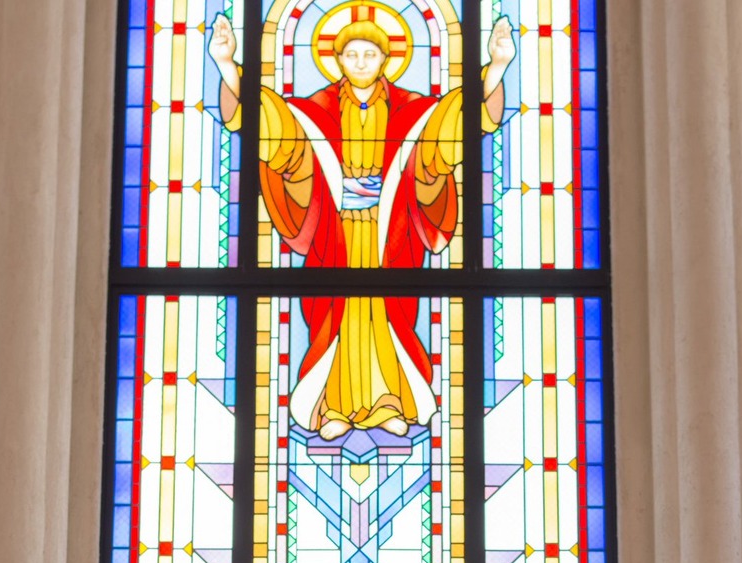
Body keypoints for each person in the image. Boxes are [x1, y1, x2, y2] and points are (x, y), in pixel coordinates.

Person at [207, 14, 515, 438]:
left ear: (387, 59)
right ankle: (332, 408)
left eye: (370, 54)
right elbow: (278, 135)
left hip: (391, 232)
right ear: (336, 60)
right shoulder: (316, 112)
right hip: (336, 233)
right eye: (351, 54)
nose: (361, 62)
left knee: (387, 315)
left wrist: (496, 67)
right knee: (337, 315)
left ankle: (390, 402)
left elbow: (446, 134)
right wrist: (227, 66)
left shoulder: (410, 110)